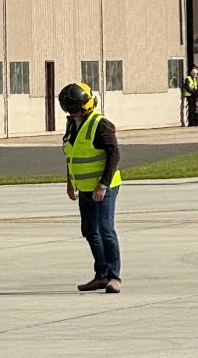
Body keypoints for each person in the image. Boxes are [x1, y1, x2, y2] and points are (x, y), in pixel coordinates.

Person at [60, 82, 122, 294]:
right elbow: (71, 154)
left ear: (85, 105)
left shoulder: (101, 124)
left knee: (106, 230)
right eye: (69, 109)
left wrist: (103, 184)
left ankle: (114, 277)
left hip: (104, 187)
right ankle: (101, 275)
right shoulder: (72, 125)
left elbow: (114, 155)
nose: (72, 114)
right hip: (84, 187)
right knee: (89, 230)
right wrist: (70, 182)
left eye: (75, 109)